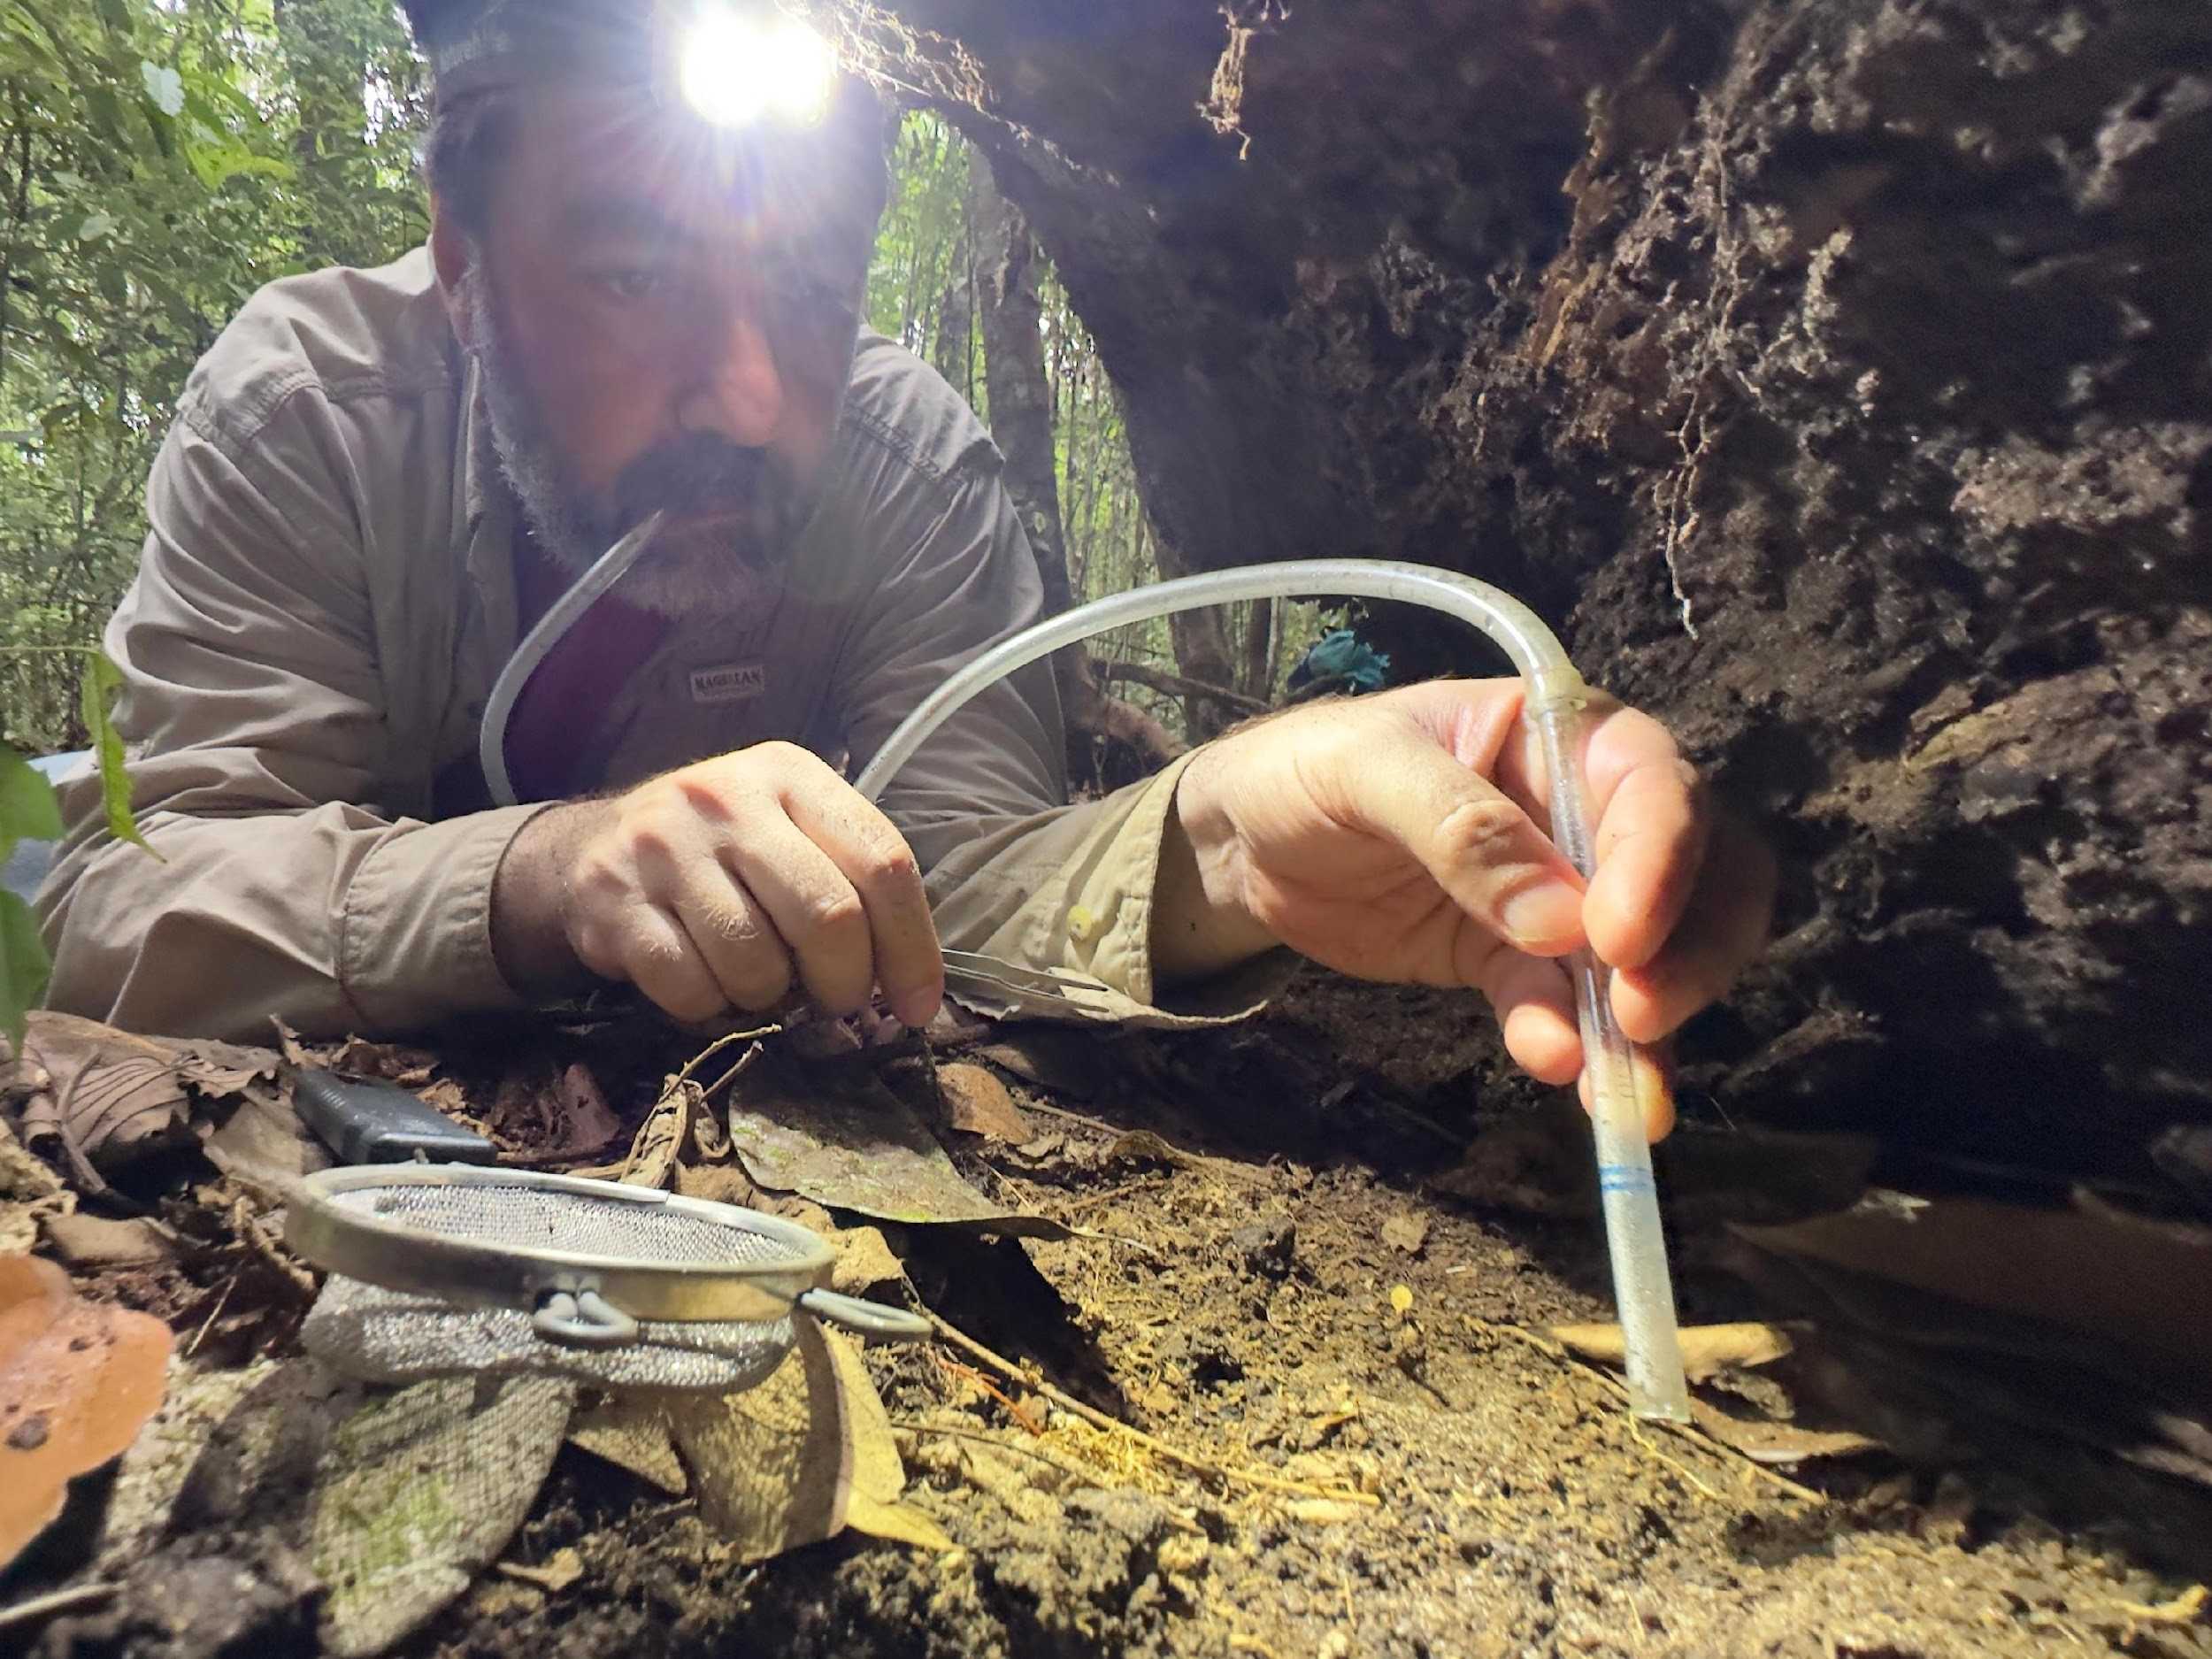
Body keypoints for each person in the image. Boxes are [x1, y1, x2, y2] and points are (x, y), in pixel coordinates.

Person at [35, 0, 1772, 1137]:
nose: (744, 390)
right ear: (464, 265)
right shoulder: (319, 408)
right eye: (633, 279)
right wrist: (543, 876)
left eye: (803, 290)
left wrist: (1229, 839)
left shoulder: (903, 458)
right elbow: (131, 910)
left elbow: (958, 890)